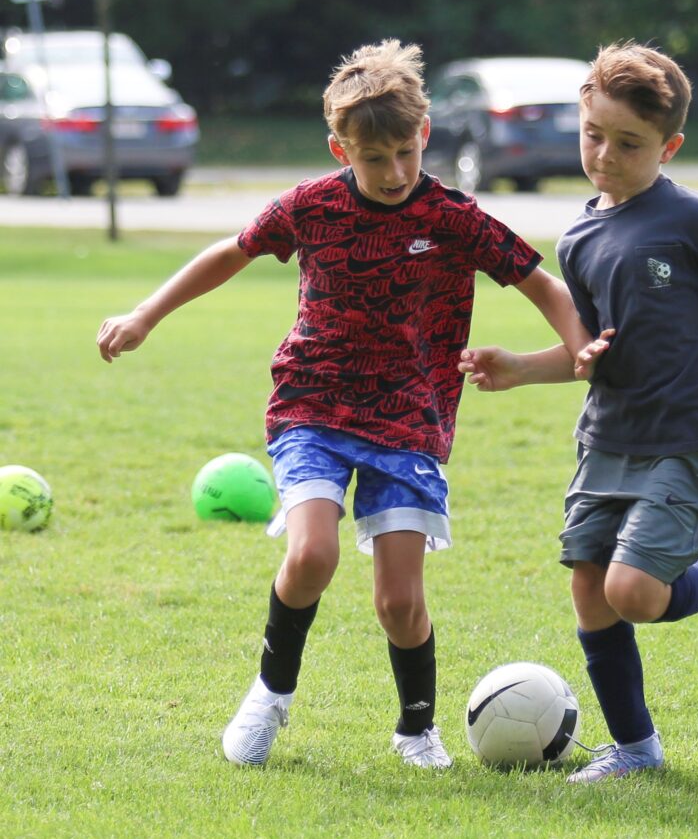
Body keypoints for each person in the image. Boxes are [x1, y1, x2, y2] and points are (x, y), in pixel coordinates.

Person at [96, 40, 589, 767]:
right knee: (311, 553)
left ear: (425, 134)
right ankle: (270, 695)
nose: (394, 173)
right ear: (340, 149)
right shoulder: (311, 206)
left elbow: (542, 284)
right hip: (313, 403)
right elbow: (230, 251)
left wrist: (583, 348)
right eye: (374, 158)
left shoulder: (454, 216)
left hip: (409, 419)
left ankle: (415, 728)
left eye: (405, 153)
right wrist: (145, 314)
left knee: (399, 602)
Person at [459, 42, 698, 782]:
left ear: (669, 147)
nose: (605, 155)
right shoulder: (577, 239)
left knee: (632, 591)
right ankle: (636, 749)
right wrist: (520, 368)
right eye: (593, 136)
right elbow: (589, 352)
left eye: (629, 143)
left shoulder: (693, 219)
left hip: (683, 442)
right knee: (589, 588)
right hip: (605, 442)